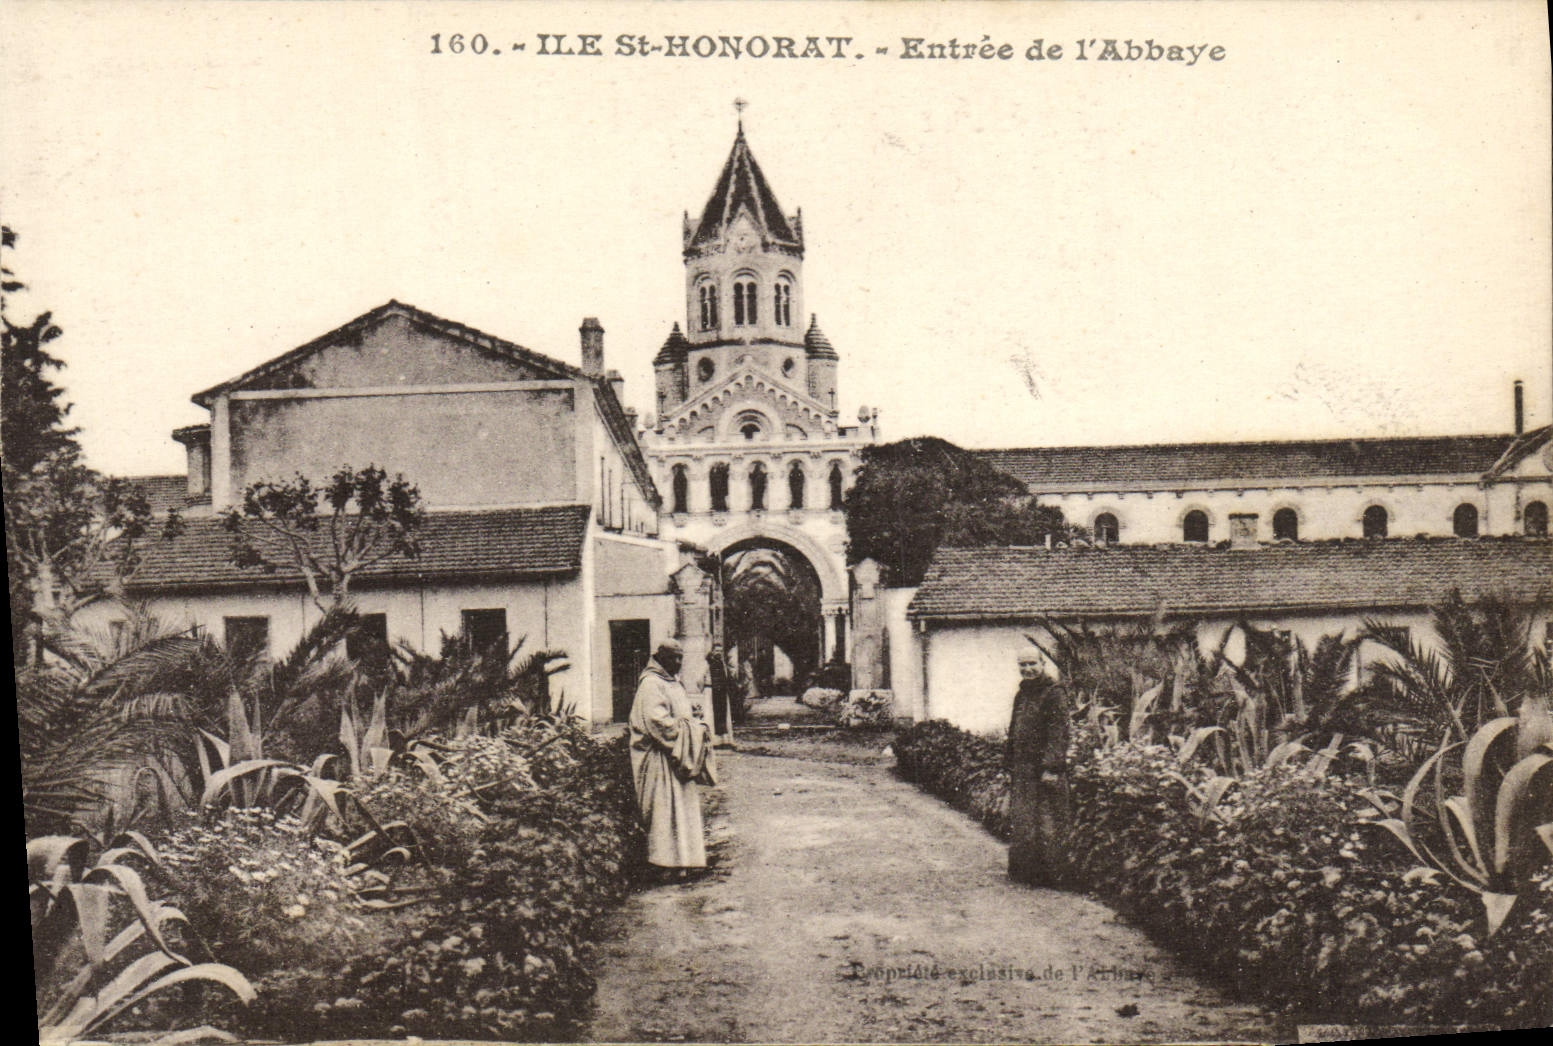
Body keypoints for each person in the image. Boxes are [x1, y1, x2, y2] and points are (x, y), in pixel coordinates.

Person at [628, 639, 716, 879]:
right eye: (673, 657)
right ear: (660, 657)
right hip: (661, 759)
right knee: (665, 811)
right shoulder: (650, 684)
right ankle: (665, 864)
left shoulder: (670, 681)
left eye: (680, 658)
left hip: (676, 757)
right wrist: (691, 731)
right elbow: (657, 723)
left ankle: (686, 861)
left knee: (682, 811)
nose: (678, 663)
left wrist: (692, 723)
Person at [1005, 647, 1072, 887]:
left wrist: (1051, 767)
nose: (1027, 669)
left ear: (1043, 664)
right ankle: (1026, 873)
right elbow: (1014, 730)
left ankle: (1053, 876)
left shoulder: (1054, 693)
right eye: (1022, 665)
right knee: (1024, 822)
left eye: (1032, 663)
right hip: (1023, 770)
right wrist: (1009, 761)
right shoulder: (1022, 694)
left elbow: (1059, 732)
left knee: (1048, 823)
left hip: (1044, 771)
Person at [706, 643, 732, 743]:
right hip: (713, 691)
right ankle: (715, 740)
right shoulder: (709, 663)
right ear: (712, 651)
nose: (719, 653)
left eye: (720, 651)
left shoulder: (722, 663)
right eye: (717, 650)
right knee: (714, 716)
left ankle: (722, 740)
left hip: (722, 691)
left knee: (722, 716)